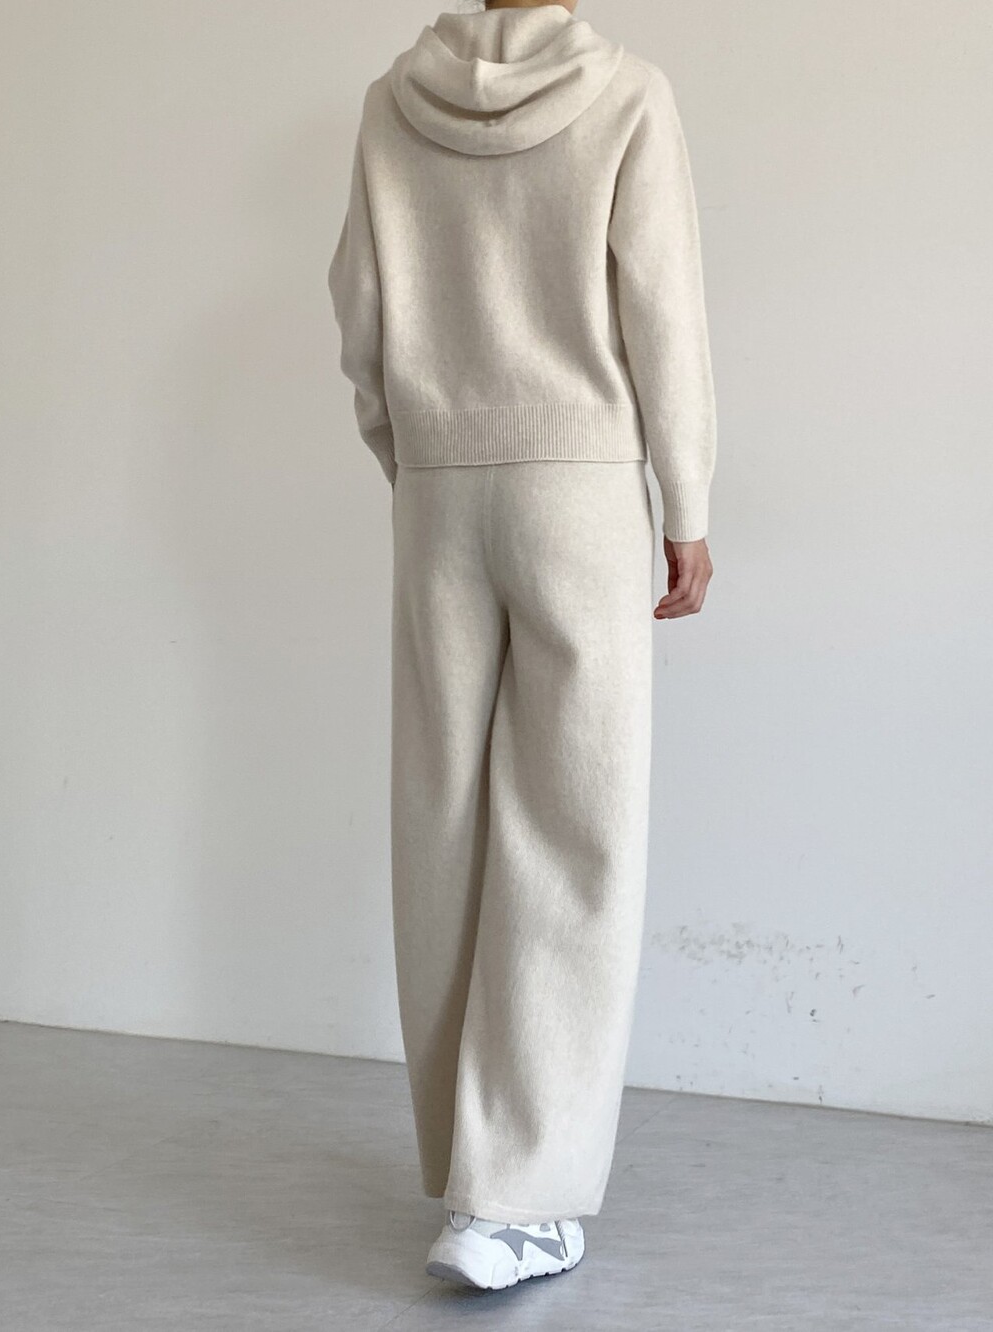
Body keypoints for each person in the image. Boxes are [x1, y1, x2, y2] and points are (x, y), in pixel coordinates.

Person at [327, 0, 716, 1291]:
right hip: (580, 493)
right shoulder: (629, 94)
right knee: (572, 829)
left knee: (441, 825)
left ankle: (464, 1168)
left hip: (440, 496)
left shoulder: (392, 104)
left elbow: (361, 313)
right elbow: (662, 310)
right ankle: (520, 1195)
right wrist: (687, 502)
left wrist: (418, 460)